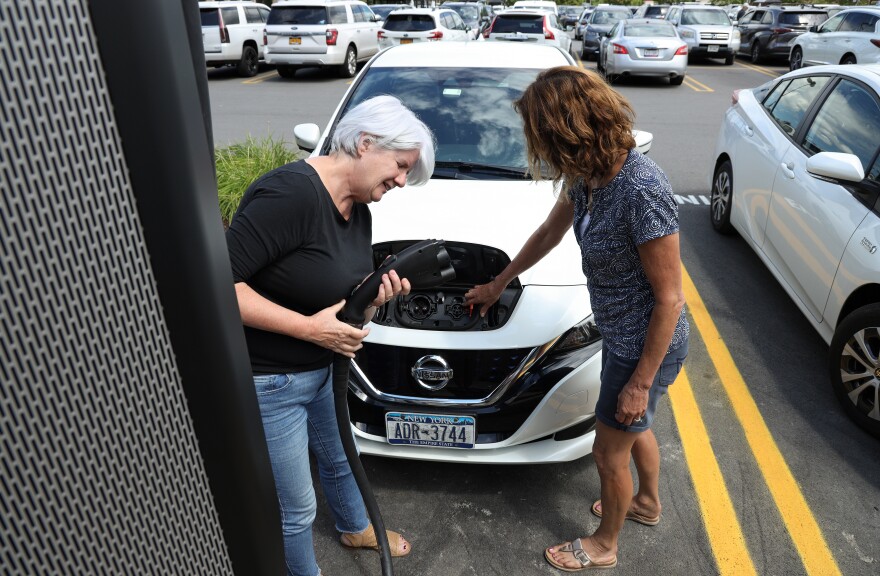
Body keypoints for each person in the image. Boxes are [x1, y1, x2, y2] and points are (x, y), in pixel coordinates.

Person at [464, 66, 689, 571]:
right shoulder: (588, 175)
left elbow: (669, 299)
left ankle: (604, 545)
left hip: (645, 344)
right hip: (622, 333)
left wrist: (638, 381)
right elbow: (549, 232)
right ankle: (646, 504)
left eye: (540, 135)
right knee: (635, 428)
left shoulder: (641, 190)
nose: (537, 148)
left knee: (609, 453)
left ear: (569, 127)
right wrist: (501, 281)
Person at [225, 95, 435, 576]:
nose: (401, 180)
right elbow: (217, 285)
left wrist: (373, 296)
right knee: (295, 508)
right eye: (400, 166)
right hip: (271, 382)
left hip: (324, 370)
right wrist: (308, 329)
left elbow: (329, 287)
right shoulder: (290, 195)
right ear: (365, 144)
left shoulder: (357, 206)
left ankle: (355, 527)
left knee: (342, 457)